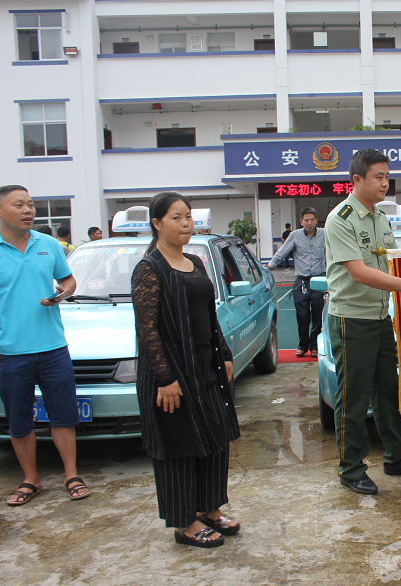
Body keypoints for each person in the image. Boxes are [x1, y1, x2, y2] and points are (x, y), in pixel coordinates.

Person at [131, 192, 241, 548]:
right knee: (180, 443)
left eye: (188, 217)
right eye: (176, 218)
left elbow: (209, 316)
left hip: (204, 366)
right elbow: (146, 330)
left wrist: (222, 352)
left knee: (214, 436)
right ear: (157, 224)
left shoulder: (194, 261)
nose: (185, 224)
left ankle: (209, 508)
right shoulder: (149, 269)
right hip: (172, 372)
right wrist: (165, 379)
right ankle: (184, 523)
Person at [324, 148, 401, 496]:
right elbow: (359, 273)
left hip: (378, 317)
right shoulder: (340, 219)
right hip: (351, 320)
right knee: (354, 397)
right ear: (357, 180)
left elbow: (394, 263)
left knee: (388, 391)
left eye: (388, 177)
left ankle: (397, 458)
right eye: (379, 177)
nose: (386, 183)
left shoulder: (380, 219)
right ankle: (351, 467)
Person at [0, 185, 88, 506]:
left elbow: (68, 281)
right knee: (19, 419)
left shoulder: (48, 245)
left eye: (31, 205)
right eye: (19, 205)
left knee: (64, 415)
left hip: (53, 348)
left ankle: (72, 474)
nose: (29, 211)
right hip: (10, 353)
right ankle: (31, 479)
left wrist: (61, 293)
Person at [265, 207, 325, 357]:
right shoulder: (295, 236)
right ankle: (302, 346)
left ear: (316, 220)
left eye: (312, 219)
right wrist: (270, 265)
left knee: (318, 315)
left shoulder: (325, 234)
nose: (309, 223)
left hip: (319, 280)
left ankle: (315, 346)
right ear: (301, 222)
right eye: (306, 220)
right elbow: (282, 252)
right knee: (303, 315)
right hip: (301, 282)